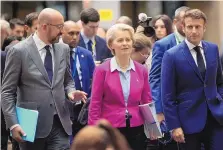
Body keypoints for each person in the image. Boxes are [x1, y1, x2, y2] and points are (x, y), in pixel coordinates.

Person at [1, 8, 87, 150]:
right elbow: (7, 92)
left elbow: (68, 80)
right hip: (31, 125)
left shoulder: (63, 49)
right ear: (44, 26)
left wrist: (71, 92)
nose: (62, 31)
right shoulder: (19, 51)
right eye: (59, 27)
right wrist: (13, 124)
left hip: (60, 123)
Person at [162, 9, 223, 150]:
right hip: (187, 122)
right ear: (183, 27)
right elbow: (167, 95)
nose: (194, 31)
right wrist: (174, 125)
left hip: (216, 118)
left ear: (204, 27)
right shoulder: (171, 55)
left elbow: (219, 81)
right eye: (190, 27)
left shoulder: (213, 49)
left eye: (198, 27)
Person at [88, 23, 154, 150]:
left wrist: (153, 128)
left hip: (137, 128)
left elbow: (147, 101)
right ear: (111, 45)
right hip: (110, 129)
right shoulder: (102, 70)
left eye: (128, 40)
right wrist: (93, 132)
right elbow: (95, 103)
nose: (125, 43)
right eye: (120, 40)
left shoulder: (141, 70)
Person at [150, 6, 190, 123]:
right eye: (183, 19)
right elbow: (155, 78)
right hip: (172, 106)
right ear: (175, 22)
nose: (186, 23)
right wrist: (158, 110)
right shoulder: (162, 45)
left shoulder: (198, 43)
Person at [61, 20, 95, 141]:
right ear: (61, 33)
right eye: (71, 33)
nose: (75, 37)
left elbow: (94, 79)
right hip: (64, 106)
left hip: (83, 107)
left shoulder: (86, 54)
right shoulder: (56, 53)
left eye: (77, 33)